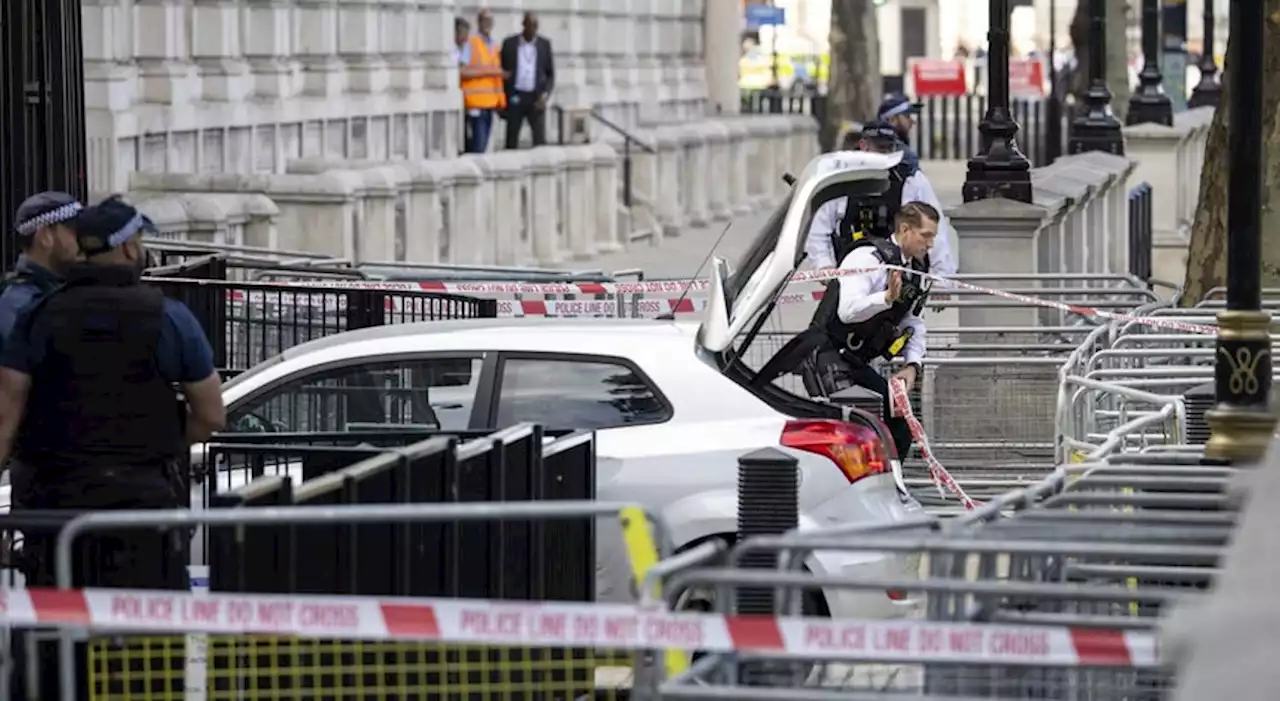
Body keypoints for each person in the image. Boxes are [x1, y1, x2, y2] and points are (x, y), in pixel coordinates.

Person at [0, 195, 226, 587]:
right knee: (145, 641)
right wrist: (161, 437)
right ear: (129, 247)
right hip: (142, 512)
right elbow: (210, 416)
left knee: (58, 638)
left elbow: (5, 419)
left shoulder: (34, 317)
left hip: (54, 512)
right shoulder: (169, 318)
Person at [758, 203, 939, 460]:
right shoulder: (867, 258)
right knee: (848, 434)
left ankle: (888, 489)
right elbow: (848, 311)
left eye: (933, 236)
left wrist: (913, 365)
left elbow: (915, 322)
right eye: (926, 235)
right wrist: (885, 299)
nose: (930, 244)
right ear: (905, 229)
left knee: (899, 427)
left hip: (856, 362)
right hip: (826, 355)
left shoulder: (916, 270)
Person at [805, 120, 957, 279]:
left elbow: (934, 232)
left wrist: (942, 277)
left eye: (889, 148)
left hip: (900, 274)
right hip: (851, 273)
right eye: (881, 149)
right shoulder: (841, 179)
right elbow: (818, 230)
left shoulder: (910, 180)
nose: (886, 155)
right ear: (863, 146)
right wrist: (823, 265)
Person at [0, 191, 84, 348]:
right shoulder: (19, 302)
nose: (84, 239)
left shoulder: (57, 289)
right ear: (45, 236)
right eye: (75, 231)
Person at [501, 11, 555, 149]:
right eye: (529, 25)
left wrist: (546, 95)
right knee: (512, 137)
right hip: (516, 95)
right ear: (523, 25)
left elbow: (550, 74)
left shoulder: (544, 44)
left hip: (535, 97)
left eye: (535, 26)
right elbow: (502, 70)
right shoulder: (510, 44)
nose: (532, 29)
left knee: (539, 139)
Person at [457, 9, 507, 154]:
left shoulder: (494, 45)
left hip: (491, 103)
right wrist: (489, 72)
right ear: (479, 22)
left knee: (483, 145)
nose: (487, 24)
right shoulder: (471, 43)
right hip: (475, 102)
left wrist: (500, 101)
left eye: (490, 21)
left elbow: (497, 76)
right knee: (477, 146)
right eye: (484, 20)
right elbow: (462, 71)